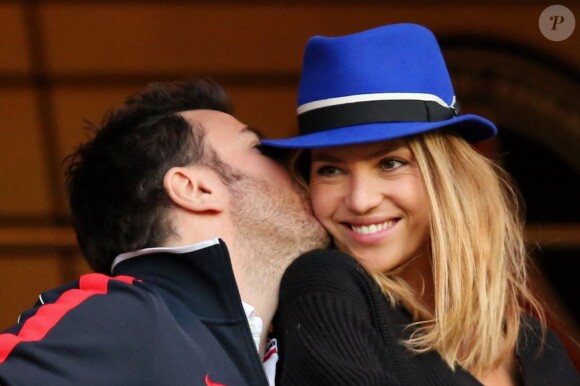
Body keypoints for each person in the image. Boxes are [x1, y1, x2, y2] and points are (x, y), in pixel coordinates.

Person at [263, 24, 579, 385]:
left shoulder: (537, 343)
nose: (360, 200)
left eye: (390, 163)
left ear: (450, 177)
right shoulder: (325, 284)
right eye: (330, 169)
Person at [0, 79, 329, 385]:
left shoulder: (298, 355)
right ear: (194, 188)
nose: (297, 163)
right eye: (258, 147)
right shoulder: (126, 317)